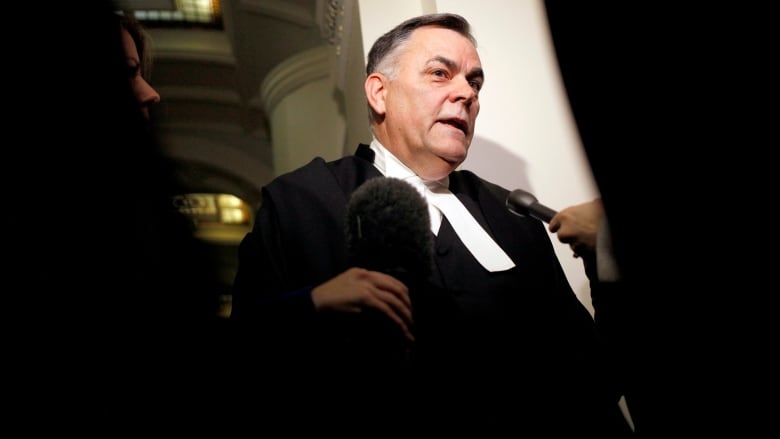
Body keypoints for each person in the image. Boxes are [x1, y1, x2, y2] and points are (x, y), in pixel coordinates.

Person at [231, 13, 633, 436]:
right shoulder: (300, 201)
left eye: (474, 83)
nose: (466, 94)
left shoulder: (513, 217)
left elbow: (594, 380)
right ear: (379, 93)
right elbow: (244, 354)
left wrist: (604, 254)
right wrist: (312, 306)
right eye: (440, 73)